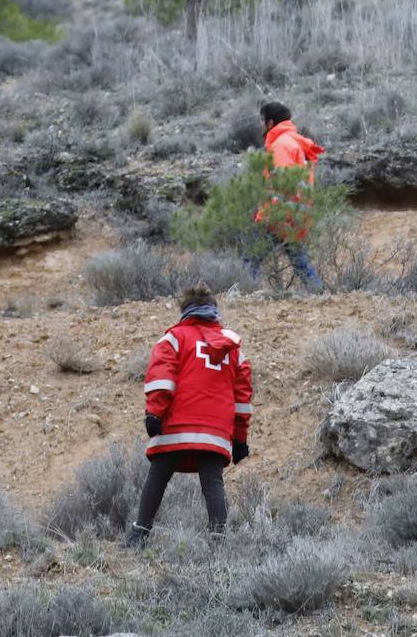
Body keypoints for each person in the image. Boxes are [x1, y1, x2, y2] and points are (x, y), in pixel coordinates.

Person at [125, 284, 253, 547]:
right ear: (214, 312)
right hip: (216, 430)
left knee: (158, 475)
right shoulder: (234, 349)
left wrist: (154, 413)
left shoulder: (174, 338)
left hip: (177, 424)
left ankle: (139, 535)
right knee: (213, 482)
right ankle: (219, 542)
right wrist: (239, 438)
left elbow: (161, 377)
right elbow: (243, 397)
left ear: (185, 311)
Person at [248, 101, 324, 289]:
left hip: (279, 216)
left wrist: (272, 216)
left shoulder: (281, 145)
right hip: (295, 214)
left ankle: (242, 295)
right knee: (299, 261)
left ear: (271, 122)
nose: (261, 125)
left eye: (262, 121)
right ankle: (319, 294)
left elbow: (282, 182)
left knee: (250, 258)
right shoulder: (292, 142)